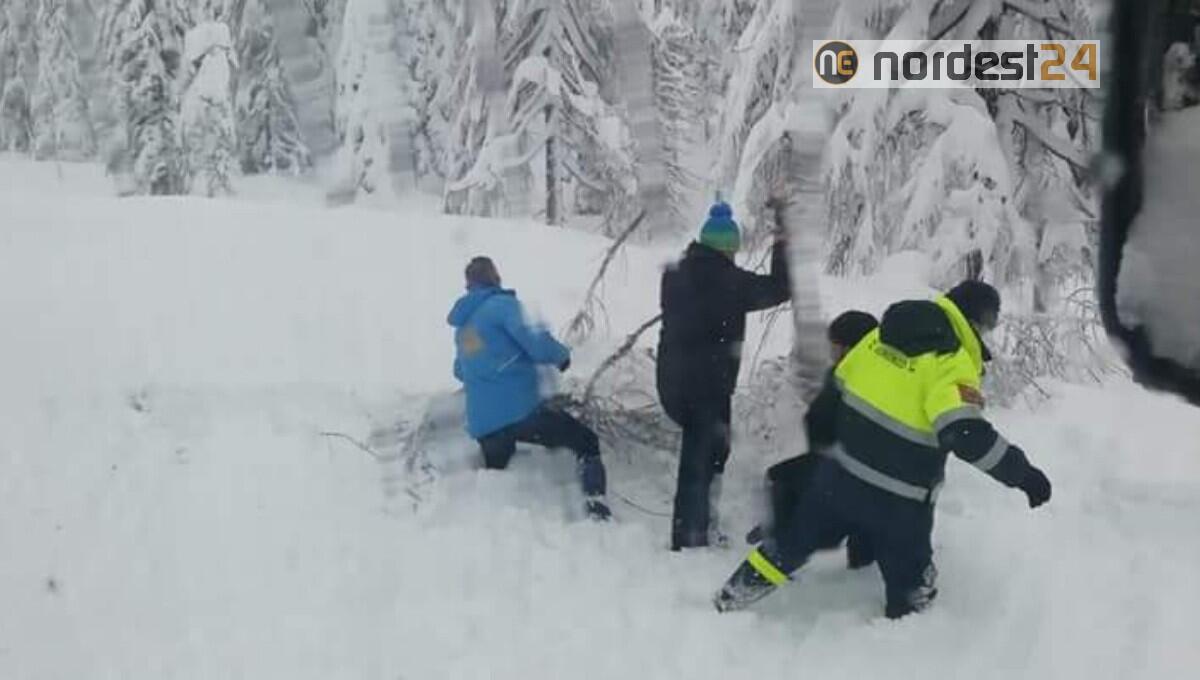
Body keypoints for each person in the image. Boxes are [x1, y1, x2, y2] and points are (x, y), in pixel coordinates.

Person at [714, 280, 1053, 618]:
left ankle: (729, 599)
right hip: (900, 503)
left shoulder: (878, 338)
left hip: (838, 481)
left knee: (787, 547)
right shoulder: (952, 361)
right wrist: (1024, 475)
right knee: (910, 588)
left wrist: (821, 463)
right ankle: (898, 649)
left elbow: (828, 401)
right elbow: (965, 434)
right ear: (978, 323)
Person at [657, 202, 791, 550]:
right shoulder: (731, 281)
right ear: (729, 249)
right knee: (699, 459)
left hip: (673, 379)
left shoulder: (675, 274)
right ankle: (689, 537)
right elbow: (780, 288)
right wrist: (783, 238)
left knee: (716, 448)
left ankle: (701, 522)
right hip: (704, 385)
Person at [448, 256, 611, 521]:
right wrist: (561, 356)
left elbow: (461, 370)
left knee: (497, 482)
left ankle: (495, 530)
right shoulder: (502, 306)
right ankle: (597, 508)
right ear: (495, 277)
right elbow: (536, 342)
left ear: (469, 285)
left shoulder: (466, 328)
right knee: (586, 442)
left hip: (485, 426)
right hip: (519, 414)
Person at [745, 310, 880, 572]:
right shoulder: (875, 371)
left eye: (835, 347)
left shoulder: (849, 374)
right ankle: (859, 563)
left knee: (782, 477)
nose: (831, 353)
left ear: (851, 348)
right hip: (860, 462)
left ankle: (784, 539)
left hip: (848, 463)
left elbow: (821, 421)